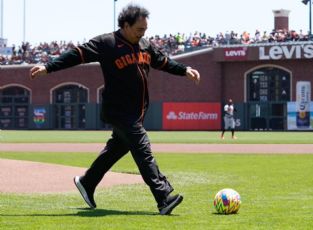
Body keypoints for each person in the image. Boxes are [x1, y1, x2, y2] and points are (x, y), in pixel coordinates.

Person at [29, 4, 200, 215]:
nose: (143, 33)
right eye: (139, 29)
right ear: (126, 25)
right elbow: (77, 54)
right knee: (142, 148)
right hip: (118, 111)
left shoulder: (145, 44)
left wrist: (185, 70)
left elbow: (163, 62)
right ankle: (163, 197)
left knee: (117, 149)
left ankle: (87, 182)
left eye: (145, 29)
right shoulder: (106, 43)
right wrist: (49, 67)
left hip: (137, 113)